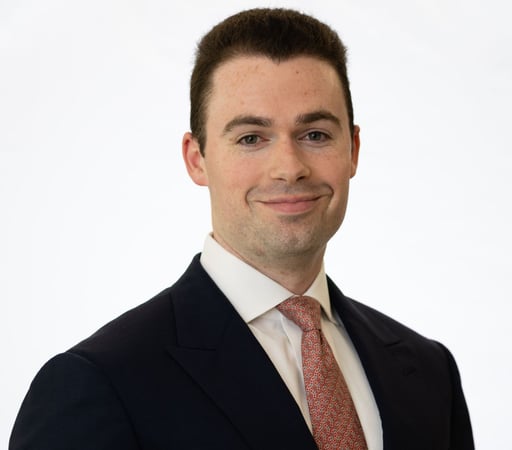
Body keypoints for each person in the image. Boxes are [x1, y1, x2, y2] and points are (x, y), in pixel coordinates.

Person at [9, 8, 474, 450]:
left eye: (315, 134)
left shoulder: (429, 371)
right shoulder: (99, 383)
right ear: (197, 158)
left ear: (352, 149)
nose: (289, 167)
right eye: (251, 138)